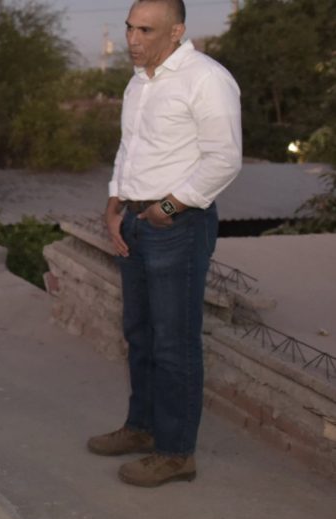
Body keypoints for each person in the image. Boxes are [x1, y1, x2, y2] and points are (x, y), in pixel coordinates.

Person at [87, 0, 242, 487]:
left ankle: (177, 453)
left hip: (177, 225)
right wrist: (117, 200)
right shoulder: (140, 82)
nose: (133, 39)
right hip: (136, 221)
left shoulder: (206, 79)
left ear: (176, 32)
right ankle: (143, 428)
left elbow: (224, 160)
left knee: (175, 342)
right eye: (130, 28)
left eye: (145, 30)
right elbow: (129, 148)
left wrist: (169, 208)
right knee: (140, 334)